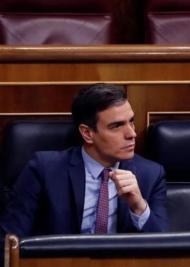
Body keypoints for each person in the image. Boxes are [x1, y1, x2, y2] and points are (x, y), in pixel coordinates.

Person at [1, 83, 167, 238]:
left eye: (131, 122)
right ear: (87, 133)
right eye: (116, 126)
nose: (132, 134)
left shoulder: (150, 174)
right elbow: (10, 241)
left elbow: (164, 248)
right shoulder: (45, 170)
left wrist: (138, 206)